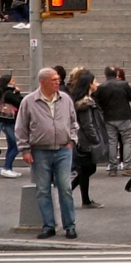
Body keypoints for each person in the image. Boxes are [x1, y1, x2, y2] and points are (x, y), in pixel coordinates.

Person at [14, 67, 79, 239]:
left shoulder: (65, 99)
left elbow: (73, 121)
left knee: (65, 187)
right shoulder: (29, 101)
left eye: (58, 79)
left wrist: (72, 140)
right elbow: (21, 127)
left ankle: (69, 225)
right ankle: (48, 225)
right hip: (40, 150)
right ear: (42, 82)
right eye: (54, 80)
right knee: (43, 189)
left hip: (63, 149)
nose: (58, 82)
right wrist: (25, 149)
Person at [70, 70, 105, 209]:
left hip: (84, 141)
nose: (97, 84)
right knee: (87, 168)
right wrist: (96, 140)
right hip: (85, 142)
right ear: (89, 84)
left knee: (86, 169)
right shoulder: (85, 103)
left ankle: (82, 198)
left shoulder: (87, 101)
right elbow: (87, 124)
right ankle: (74, 195)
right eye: (95, 81)